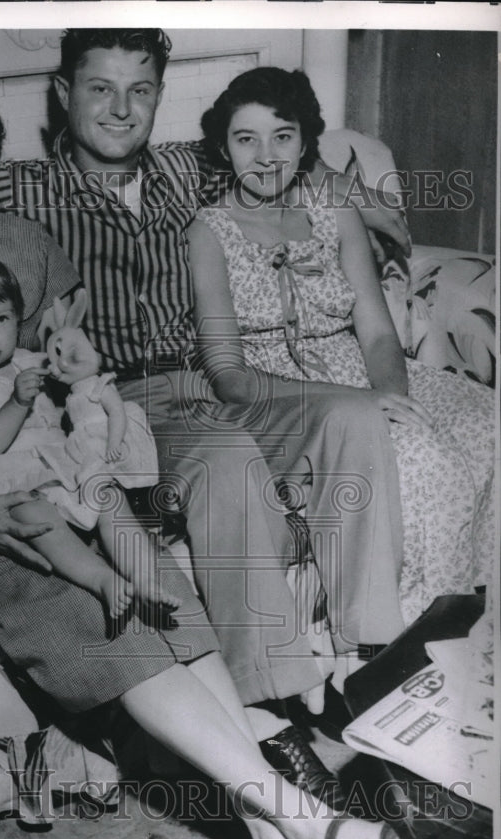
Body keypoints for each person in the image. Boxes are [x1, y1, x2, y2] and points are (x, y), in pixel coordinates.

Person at [0, 58, 405, 839]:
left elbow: (65, 370)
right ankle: (303, 819)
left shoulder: (19, 238)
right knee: (92, 609)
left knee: (155, 586)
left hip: (51, 472)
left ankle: (269, 826)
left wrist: (84, 395)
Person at [189, 66, 495, 626]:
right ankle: (418, 627)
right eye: (245, 138)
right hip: (282, 394)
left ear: (305, 142)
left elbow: (378, 331)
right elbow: (228, 373)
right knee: (429, 462)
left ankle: (485, 610)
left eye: (282, 136)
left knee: (487, 420)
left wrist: (389, 397)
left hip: (365, 369)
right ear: (222, 148)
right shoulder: (209, 232)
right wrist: (355, 407)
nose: (265, 155)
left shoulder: (333, 211)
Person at [0, 252, 178, 619]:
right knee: (35, 514)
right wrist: (17, 402)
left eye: (2, 318)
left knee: (107, 492)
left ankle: (145, 576)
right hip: (4, 479)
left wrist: (79, 366)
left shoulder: (30, 361)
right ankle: (100, 578)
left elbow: (79, 382)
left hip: (58, 465)